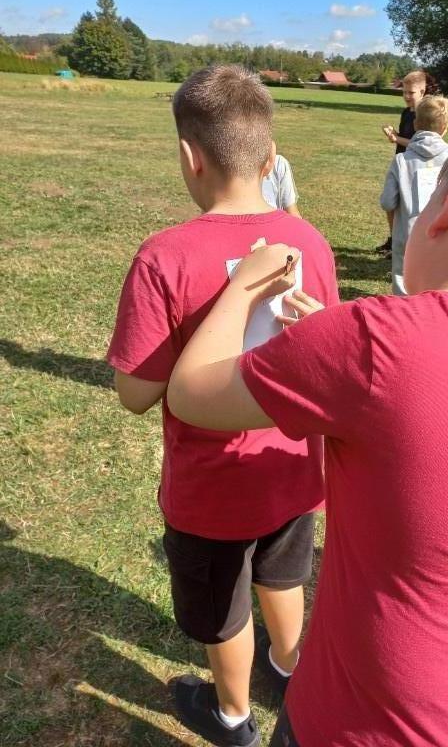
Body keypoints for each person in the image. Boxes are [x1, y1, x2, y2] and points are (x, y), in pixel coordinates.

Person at [166, 126, 448, 747]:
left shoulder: (372, 338)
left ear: (445, 208)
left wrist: (245, 286)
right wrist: (342, 351)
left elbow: (191, 393)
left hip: (359, 721)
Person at [106, 64, 339, 747]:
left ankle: (232, 716)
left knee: (224, 608)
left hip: (211, 491)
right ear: (271, 159)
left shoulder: (165, 256)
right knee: (283, 574)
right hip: (294, 469)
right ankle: (289, 669)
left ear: (190, 155)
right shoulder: (311, 241)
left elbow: (135, 393)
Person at [380, 95, 448, 294]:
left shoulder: (401, 161)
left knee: (404, 290)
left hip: (407, 235)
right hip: (444, 236)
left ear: (415, 124)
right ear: (445, 127)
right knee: (439, 288)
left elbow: (387, 202)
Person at [377, 69, 428, 255]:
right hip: (400, 164)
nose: (406, 96)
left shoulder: (425, 116)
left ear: (422, 91)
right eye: (404, 92)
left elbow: (420, 144)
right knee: (390, 204)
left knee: (408, 210)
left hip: (415, 168)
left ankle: (408, 248)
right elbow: (405, 138)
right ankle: (393, 241)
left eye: (411, 92)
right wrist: (395, 134)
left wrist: (396, 139)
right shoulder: (406, 113)